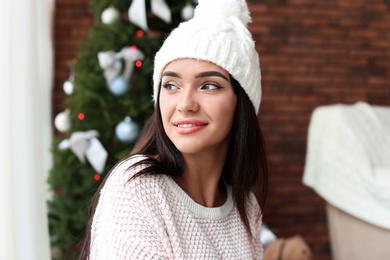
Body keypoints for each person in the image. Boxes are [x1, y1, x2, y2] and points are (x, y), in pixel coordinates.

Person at [80, 0, 267, 258]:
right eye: (171, 85)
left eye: (209, 85)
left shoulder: (246, 208)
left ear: (242, 102)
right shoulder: (137, 188)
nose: (185, 104)